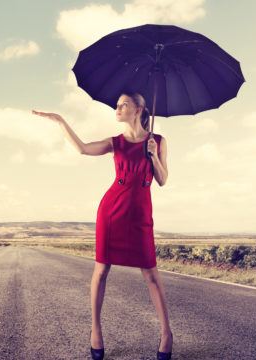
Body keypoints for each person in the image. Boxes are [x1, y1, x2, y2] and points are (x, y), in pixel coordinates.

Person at [32, 91, 172, 360]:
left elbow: (163, 180)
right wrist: (61, 121)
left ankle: (166, 333)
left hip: (141, 214)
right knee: (101, 271)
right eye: (117, 105)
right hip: (112, 212)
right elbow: (83, 148)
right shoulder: (115, 142)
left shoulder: (159, 142)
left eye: (124, 105)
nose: (117, 109)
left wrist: (153, 155)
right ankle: (96, 331)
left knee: (151, 275)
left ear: (139, 109)